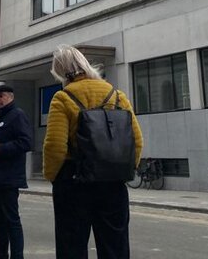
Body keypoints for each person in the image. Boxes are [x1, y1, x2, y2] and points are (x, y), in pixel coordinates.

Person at [43, 45, 143, 259]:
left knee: (72, 246)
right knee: (115, 247)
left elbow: (55, 146)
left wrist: (53, 177)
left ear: (61, 72)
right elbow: (137, 140)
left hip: (74, 182)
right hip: (113, 183)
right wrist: (123, 169)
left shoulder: (62, 98)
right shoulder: (117, 95)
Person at [0, 83, 33, 259]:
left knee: (11, 221)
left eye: (2, 95)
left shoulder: (17, 115)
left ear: (11, 97)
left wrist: (1, 150)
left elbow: (26, 142)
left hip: (8, 178)